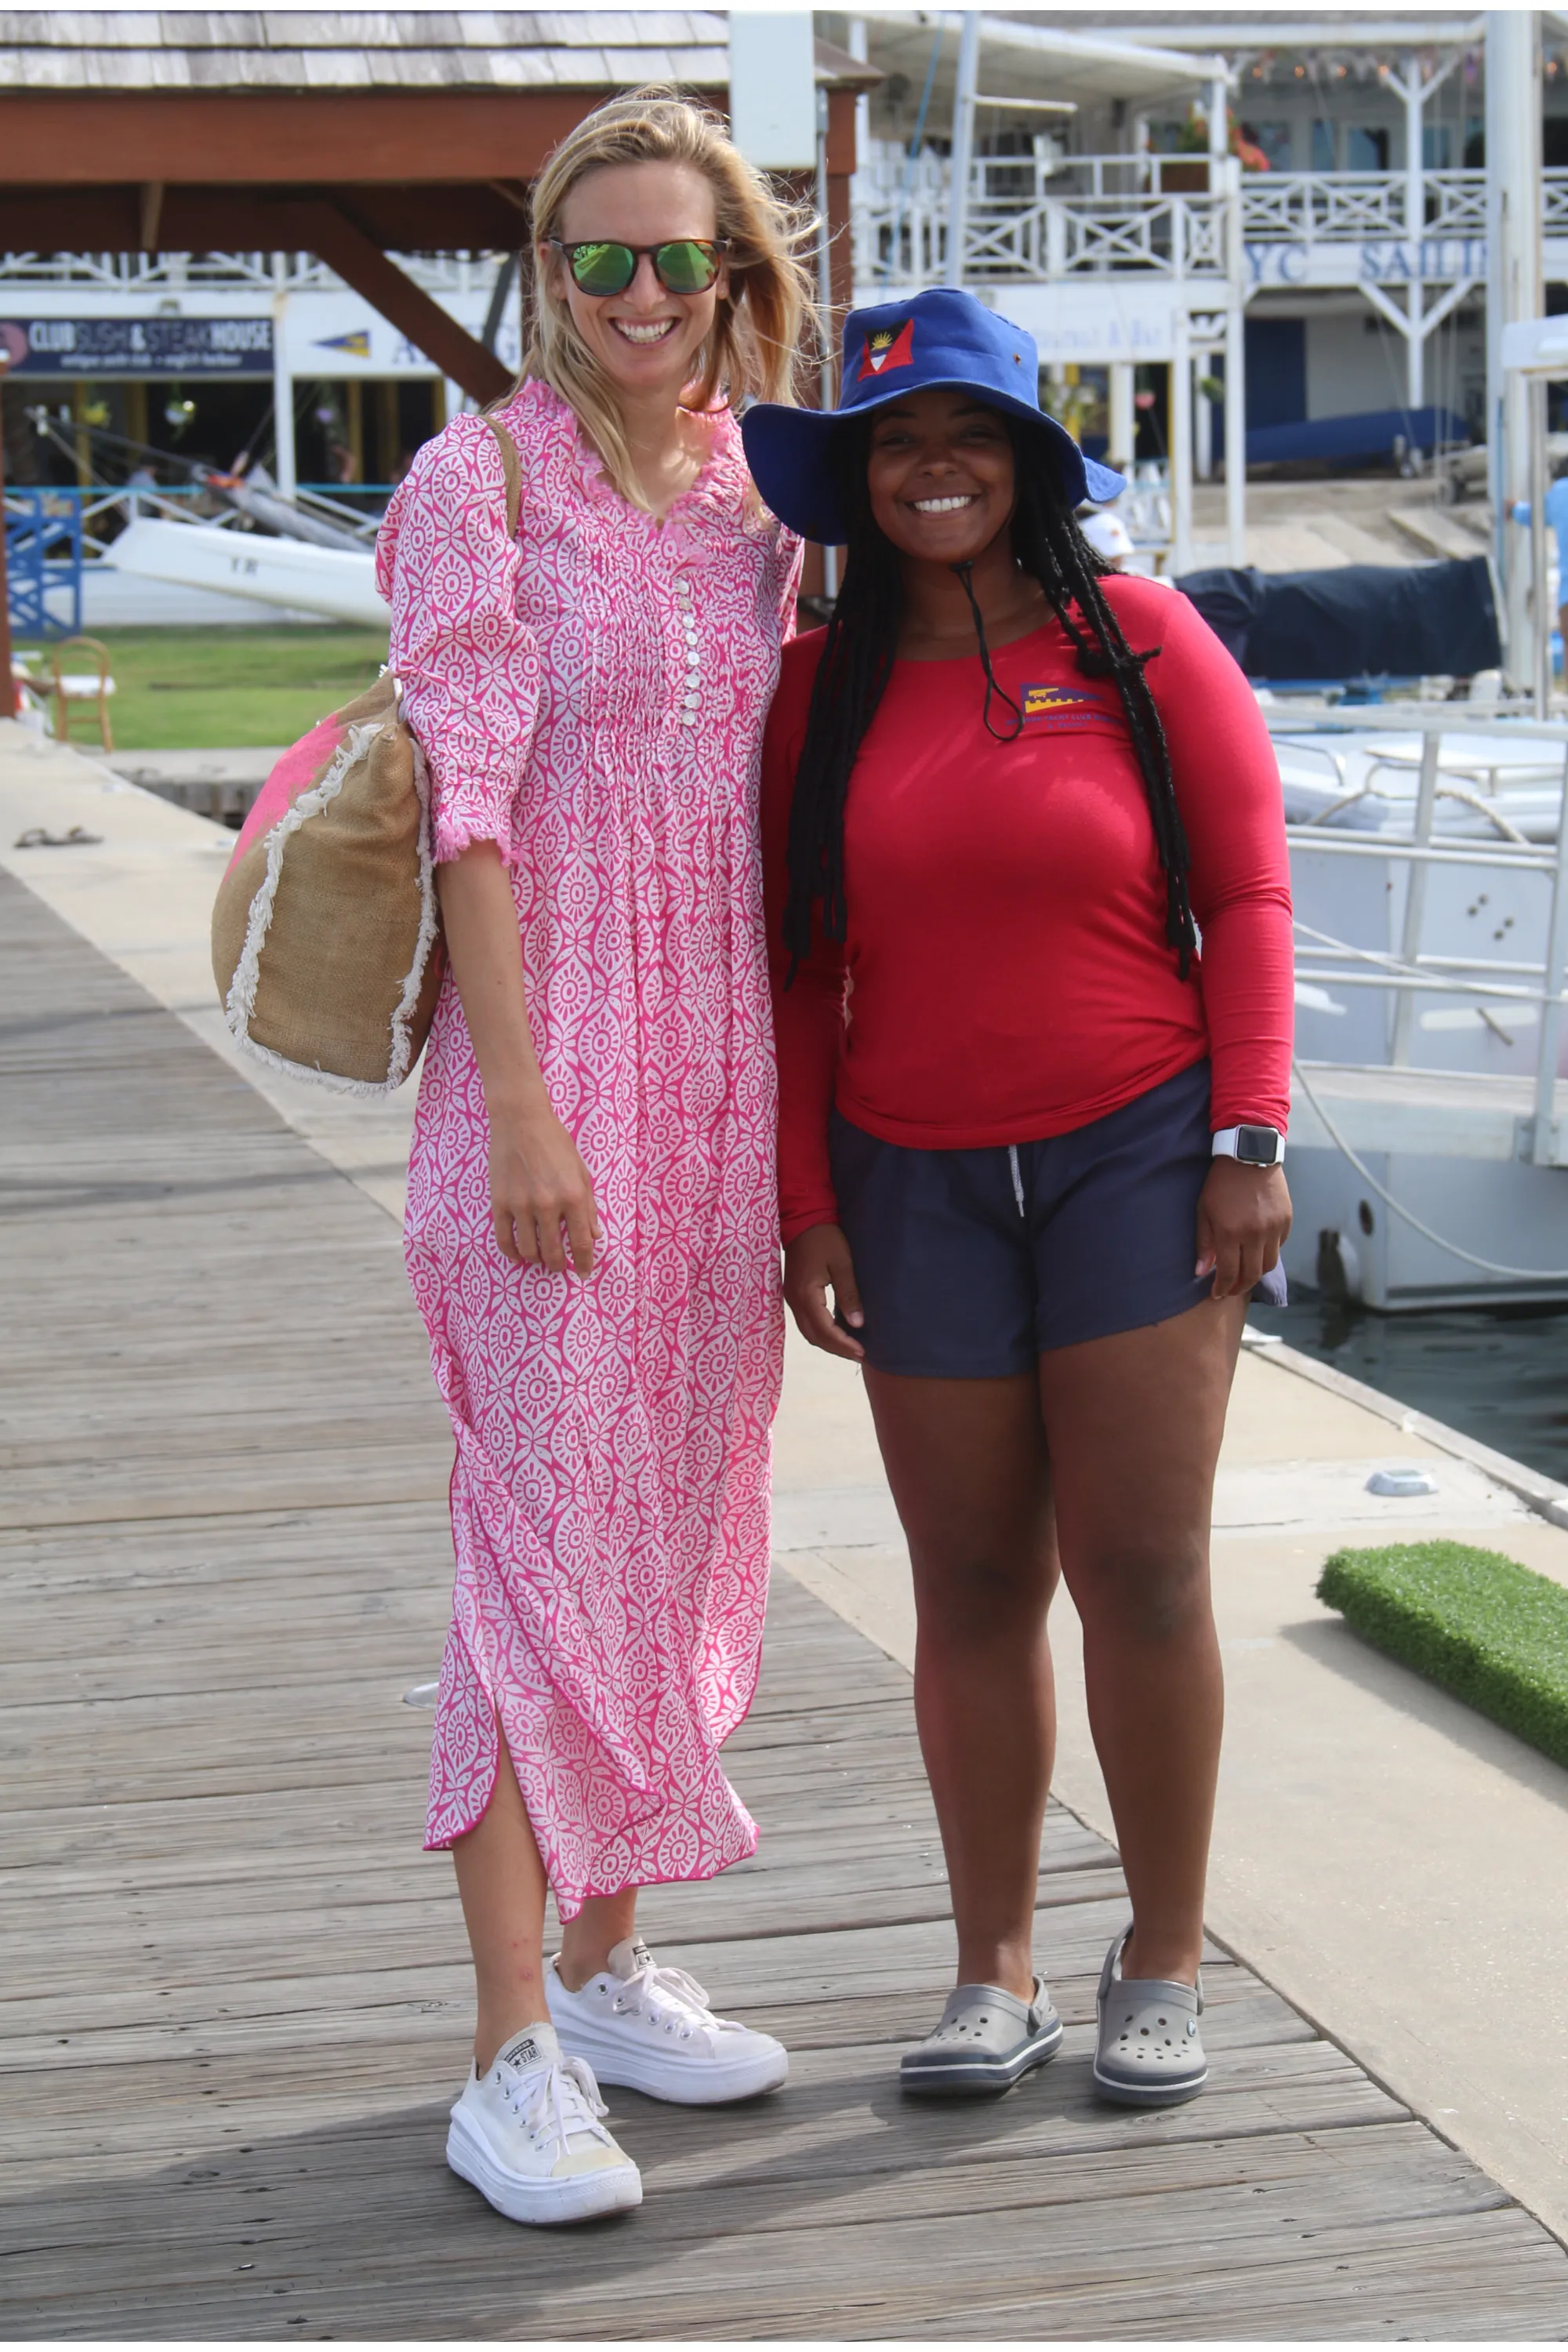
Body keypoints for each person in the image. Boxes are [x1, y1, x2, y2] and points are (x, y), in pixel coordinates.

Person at [744, 288, 1294, 2111]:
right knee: (973, 1579)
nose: (932, 469)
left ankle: (1161, 1955)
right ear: (857, 479)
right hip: (913, 1183)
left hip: (1139, 1154)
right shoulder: (812, 696)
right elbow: (800, 969)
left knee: (1140, 1572)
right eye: (896, 442)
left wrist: (1248, 1138)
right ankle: (994, 1970)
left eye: (968, 436)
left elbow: (1253, 903)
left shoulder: (1136, 641)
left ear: (1029, 466)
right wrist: (807, 1201)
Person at [376, 88, 812, 2226]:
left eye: (680, 260)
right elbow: (466, 807)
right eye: (600, 260)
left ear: (736, 279)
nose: (643, 296)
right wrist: (526, 1103)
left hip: (723, 1080)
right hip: (552, 1077)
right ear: (546, 275)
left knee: (664, 1512)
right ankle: (508, 2053)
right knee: (530, 1547)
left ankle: (620, 1963)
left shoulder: (759, 499)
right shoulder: (483, 485)